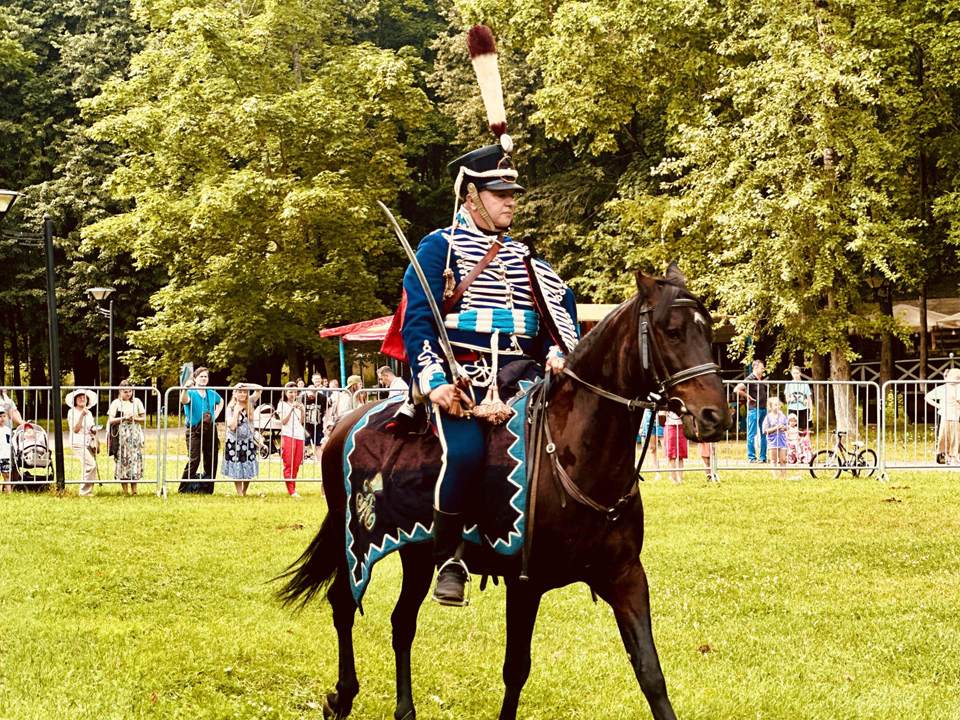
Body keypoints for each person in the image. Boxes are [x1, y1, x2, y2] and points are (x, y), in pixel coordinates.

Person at [394, 100, 581, 604]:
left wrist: (557, 353)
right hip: (462, 378)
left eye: (513, 194)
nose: (510, 202)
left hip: (523, 381)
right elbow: (419, 322)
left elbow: (551, 317)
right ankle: (449, 556)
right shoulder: (438, 248)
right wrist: (434, 382)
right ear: (471, 196)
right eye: (500, 193)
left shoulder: (525, 256)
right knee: (469, 451)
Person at [179, 366, 223, 494]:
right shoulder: (191, 392)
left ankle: (208, 488)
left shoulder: (211, 392)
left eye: (205, 376)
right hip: (194, 430)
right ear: (195, 378)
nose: (204, 379)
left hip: (210, 429)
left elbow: (221, 401)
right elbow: (184, 400)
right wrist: (185, 388)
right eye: (201, 376)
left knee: (211, 458)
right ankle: (183, 488)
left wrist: (215, 415)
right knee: (194, 459)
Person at [106, 380, 146, 495]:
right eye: (125, 392)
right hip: (121, 433)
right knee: (122, 458)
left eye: (130, 391)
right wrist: (123, 418)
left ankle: (134, 490)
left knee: (134, 458)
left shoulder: (137, 401)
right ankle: (125, 491)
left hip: (134, 432)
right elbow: (111, 420)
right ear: (120, 391)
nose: (128, 394)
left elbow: (143, 418)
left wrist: (133, 418)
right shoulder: (115, 403)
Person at [223, 382, 261, 496]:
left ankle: (245, 490)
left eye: (244, 392)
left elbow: (259, 389)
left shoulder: (250, 402)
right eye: (240, 392)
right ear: (235, 393)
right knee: (237, 466)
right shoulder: (230, 408)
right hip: (234, 441)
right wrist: (236, 412)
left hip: (248, 440)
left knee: (248, 464)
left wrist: (244, 385)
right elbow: (232, 426)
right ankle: (239, 492)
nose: (242, 394)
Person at [66, 388, 99, 496]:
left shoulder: (88, 413)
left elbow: (90, 426)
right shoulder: (72, 412)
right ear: (75, 400)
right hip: (77, 442)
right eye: (79, 397)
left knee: (88, 466)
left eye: (84, 397)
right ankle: (85, 492)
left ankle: (87, 490)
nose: (82, 398)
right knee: (91, 465)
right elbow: (75, 429)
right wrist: (81, 416)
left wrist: (94, 429)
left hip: (88, 441)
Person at [734, 359, 768, 463]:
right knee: (752, 433)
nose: (763, 370)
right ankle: (752, 457)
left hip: (763, 408)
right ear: (756, 368)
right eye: (761, 368)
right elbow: (736, 389)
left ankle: (763, 457)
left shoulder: (759, 379)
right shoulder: (750, 378)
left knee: (764, 433)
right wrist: (747, 396)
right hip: (754, 409)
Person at [925, 369, 960, 465]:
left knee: (946, 436)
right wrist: (938, 405)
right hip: (951, 415)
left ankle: (949, 456)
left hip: (948, 415)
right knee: (953, 436)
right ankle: (952, 457)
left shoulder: (949, 388)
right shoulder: (949, 389)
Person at [277, 382, 305, 498]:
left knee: (296, 463)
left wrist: (302, 410)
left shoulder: (299, 403)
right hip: (288, 435)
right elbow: (283, 421)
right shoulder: (282, 404)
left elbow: (302, 421)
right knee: (289, 463)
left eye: (295, 392)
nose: (293, 394)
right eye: (290, 392)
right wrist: (291, 409)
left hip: (299, 435)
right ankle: (291, 490)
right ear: (285, 392)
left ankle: (293, 485)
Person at [301, 373, 328, 460]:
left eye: (314, 394)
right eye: (310, 395)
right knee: (303, 444)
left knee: (318, 446)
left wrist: (326, 420)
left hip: (318, 426)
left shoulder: (322, 397)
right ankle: (301, 462)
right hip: (305, 426)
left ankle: (319, 462)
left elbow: (328, 408)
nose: (312, 397)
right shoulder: (302, 397)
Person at [762, 397, 789, 479]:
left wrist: (784, 428)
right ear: (770, 406)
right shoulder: (768, 417)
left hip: (782, 440)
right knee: (773, 459)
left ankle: (784, 476)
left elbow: (787, 426)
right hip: (772, 441)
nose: (777, 407)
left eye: (778, 405)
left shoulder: (783, 416)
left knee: (783, 459)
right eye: (775, 405)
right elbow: (765, 430)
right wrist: (775, 428)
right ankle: (775, 476)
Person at [663, 410, 687, 483]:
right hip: (670, 425)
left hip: (681, 426)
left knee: (681, 454)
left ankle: (680, 478)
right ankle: (674, 478)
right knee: (671, 454)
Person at [0, 409, 11, 493]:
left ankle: (8, 492)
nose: (2, 418)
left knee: (6, 474)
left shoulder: (8, 430)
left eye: (4, 416)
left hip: (6, 455)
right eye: (0, 416)